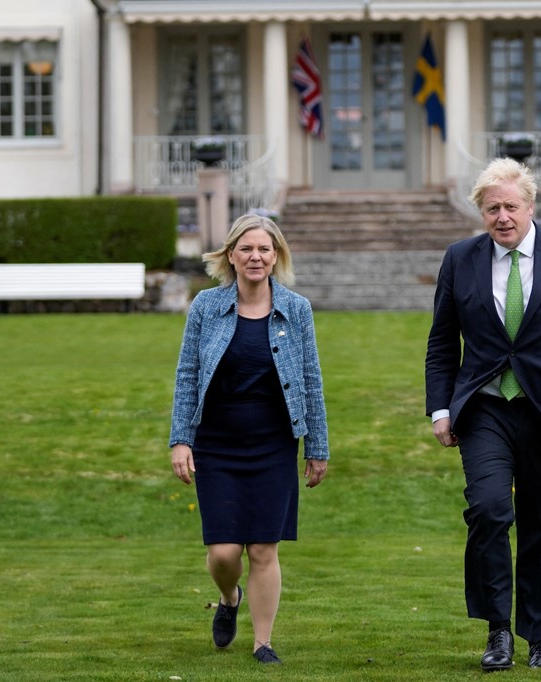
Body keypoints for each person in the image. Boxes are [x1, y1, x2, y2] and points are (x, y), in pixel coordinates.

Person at [425, 158, 541, 671]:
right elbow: (442, 341)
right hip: (485, 407)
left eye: (511, 206)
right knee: (489, 510)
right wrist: (441, 409)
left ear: (530, 206)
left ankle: (539, 638)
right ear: (481, 213)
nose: (502, 216)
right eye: (492, 208)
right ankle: (497, 632)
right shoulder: (460, 258)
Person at [169, 213, 330, 665]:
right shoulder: (205, 306)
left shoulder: (296, 309)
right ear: (231, 256)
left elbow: (311, 379)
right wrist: (181, 439)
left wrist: (317, 446)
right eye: (247, 249)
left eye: (264, 249)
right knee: (223, 551)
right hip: (217, 442)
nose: (255, 257)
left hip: (274, 443)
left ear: (276, 256)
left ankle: (263, 642)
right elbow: (188, 375)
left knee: (262, 545)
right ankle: (229, 597)